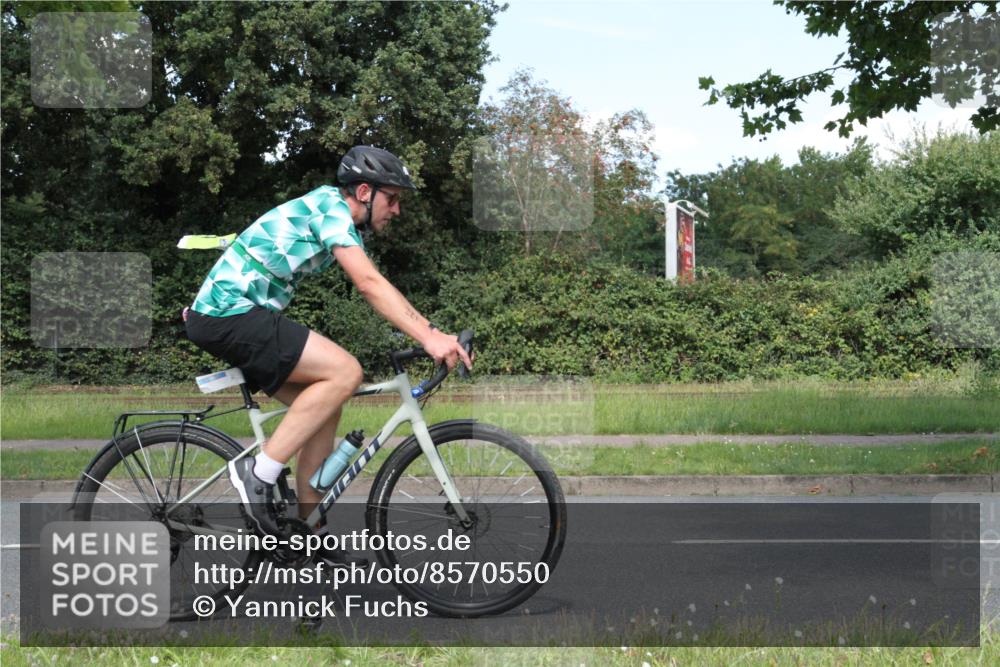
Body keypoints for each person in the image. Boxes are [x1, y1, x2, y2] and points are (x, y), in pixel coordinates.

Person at [184, 146, 473, 563]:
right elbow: (369, 282)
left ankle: (309, 533)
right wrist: (429, 334)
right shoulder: (330, 209)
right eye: (392, 199)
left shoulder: (328, 212)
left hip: (234, 316)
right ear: (363, 191)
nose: (396, 210)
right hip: (229, 315)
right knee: (344, 371)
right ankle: (257, 474)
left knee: (323, 406)